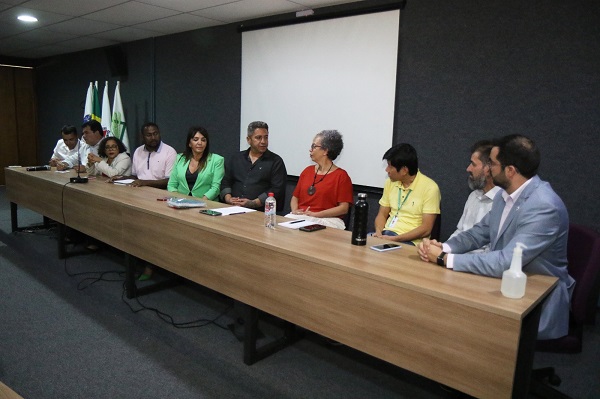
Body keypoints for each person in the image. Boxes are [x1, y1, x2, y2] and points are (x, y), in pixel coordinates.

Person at [417, 134, 574, 340]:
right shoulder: (504, 194)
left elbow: (507, 261)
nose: (488, 168)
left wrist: (444, 259)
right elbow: (477, 233)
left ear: (510, 171)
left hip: (537, 301)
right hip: (504, 285)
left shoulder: (544, 206)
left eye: (491, 163)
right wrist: (444, 247)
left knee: (464, 324)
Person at [373, 143, 441, 245]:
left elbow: (426, 228)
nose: (387, 170)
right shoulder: (390, 182)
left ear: (404, 170)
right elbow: (382, 214)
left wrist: (395, 239)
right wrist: (378, 233)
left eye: (390, 166)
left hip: (410, 241)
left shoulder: (430, 188)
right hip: (386, 235)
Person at [287, 130, 353, 229]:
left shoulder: (341, 176)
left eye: (314, 146)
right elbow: (295, 197)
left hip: (327, 219)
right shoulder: (307, 171)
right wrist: (295, 210)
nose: (310, 150)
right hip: (301, 217)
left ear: (325, 151)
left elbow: (343, 208)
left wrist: (316, 215)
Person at [447, 140, 501, 252]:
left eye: (473, 164)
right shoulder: (473, 196)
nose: (468, 169)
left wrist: (452, 258)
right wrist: (442, 248)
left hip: (475, 265)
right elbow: (460, 231)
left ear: (488, 169)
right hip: (456, 259)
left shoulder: (502, 202)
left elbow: (491, 251)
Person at [220, 121, 287, 211]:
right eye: (258, 138)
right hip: (232, 208)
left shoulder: (275, 161)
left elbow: (277, 190)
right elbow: (225, 182)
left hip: (261, 211)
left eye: (266, 137)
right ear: (248, 139)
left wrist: (253, 203)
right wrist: (228, 199)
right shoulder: (236, 158)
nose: (263, 142)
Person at [111, 122, 177, 188]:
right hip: (140, 190)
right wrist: (121, 178)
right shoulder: (138, 151)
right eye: (149, 135)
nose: (153, 137)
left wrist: (144, 182)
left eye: (155, 134)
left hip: (160, 192)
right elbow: (135, 176)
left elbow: (169, 181)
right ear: (142, 137)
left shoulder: (170, 152)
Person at [167, 126, 224, 200]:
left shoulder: (217, 160)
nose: (200, 143)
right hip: (180, 203)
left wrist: (201, 202)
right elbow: (171, 185)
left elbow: (215, 188)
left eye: (203, 140)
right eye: (195, 139)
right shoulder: (179, 158)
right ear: (189, 143)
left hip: (206, 204)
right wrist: (177, 200)